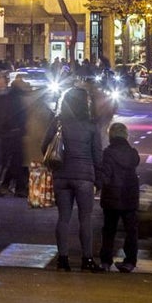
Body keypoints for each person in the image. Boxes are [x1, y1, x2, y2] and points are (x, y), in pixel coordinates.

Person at [50, 85, 103, 272]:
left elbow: (45, 145)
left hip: (61, 175)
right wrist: (98, 180)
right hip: (84, 176)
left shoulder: (58, 123)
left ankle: (63, 259)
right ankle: (86, 259)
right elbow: (98, 155)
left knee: (63, 218)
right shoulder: (91, 125)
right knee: (85, 218)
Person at [97, 121, 140, 273]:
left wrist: (98, 185)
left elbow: (106, 174)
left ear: (111, 136)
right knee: (131, 230)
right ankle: (130, 261)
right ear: (126, 136)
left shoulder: (108, 153)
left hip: (112, 196)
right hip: (129, 196)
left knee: (109, 230)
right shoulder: (133, 153)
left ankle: (105, 261)